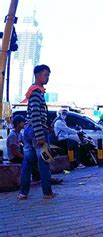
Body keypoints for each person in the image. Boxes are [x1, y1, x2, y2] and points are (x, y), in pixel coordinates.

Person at [18, 64, 55, 200]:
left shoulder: (35, 92)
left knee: (28, 162)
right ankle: (47, 192)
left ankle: (23, 193)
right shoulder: (35, 93)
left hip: (28, 130)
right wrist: (40, 136)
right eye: (46, 75)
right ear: (38, 75)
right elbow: (35, 115)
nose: (47, 78)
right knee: (44, 162)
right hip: (36, 130)